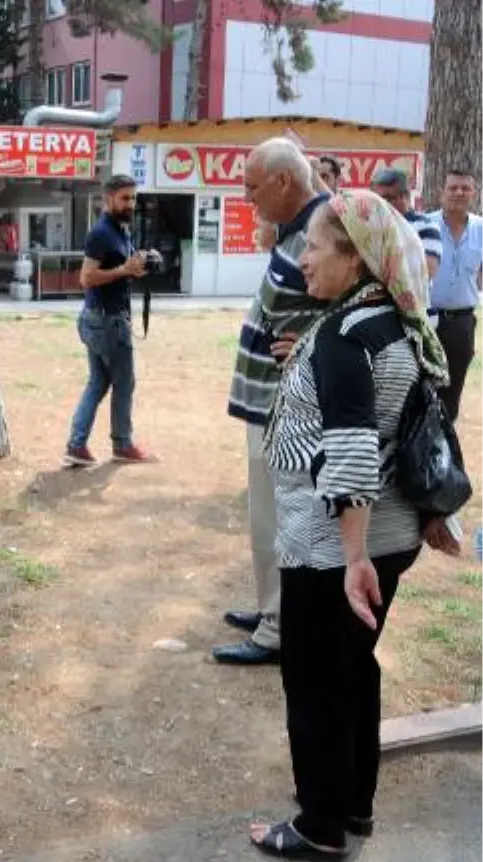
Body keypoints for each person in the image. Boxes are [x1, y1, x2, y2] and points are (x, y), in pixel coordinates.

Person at [250, 191, 458, 862]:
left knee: (314, 683)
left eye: (313, 245)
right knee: (353, 672)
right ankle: (355, 804)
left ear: (357, 256)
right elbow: (421, 425)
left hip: (334, 549)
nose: (301, 256)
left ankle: (320, 826)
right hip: (389, 539)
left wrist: (350, 559)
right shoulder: (395, 324)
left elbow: (352, 448)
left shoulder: (345, 337)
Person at [215, 138, 327, 667]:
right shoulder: (296, 224)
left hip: (292, 406)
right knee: (265, 516)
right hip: (266, 402)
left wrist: (310, 343)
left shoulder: (326, 228)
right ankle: (271, 609)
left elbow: (363, 304)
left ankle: (280, 627)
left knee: (283, 516)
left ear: (285, 180)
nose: (246, 197)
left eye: (252, 187)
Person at [63, 174, 157, 468]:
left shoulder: (121, 229)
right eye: (125, 198)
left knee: (98, 382)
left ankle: (76, 445)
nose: (131, 203)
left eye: (133, 197)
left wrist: (137, 264)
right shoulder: (101, 232)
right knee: (124, 384)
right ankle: (122, 444)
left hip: (101, 319)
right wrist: (123, 270)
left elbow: (121, 266)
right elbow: (86, 278)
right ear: (108, 199)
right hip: (106, 321)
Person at [428, 169, 483, 424]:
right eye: (453, 188)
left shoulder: (481, 229)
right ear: (442, 193)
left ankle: (445, 455)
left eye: (465, 188)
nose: (459, 193)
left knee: (452, 395)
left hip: (462, 325)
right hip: (426, 322)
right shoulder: (425, 225)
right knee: (421, 390)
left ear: (474, 194)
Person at [370, 166, 442, 279]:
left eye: (387, 198)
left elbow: (427, 270)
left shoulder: (426, 226)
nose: (379, 204)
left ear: (405, 197)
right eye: (375, 199)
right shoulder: (369, 224)